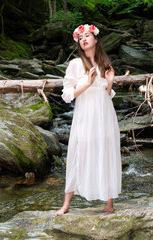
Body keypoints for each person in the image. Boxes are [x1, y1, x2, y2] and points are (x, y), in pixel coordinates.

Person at [55, 24, 122, 216]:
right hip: (85, 116)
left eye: (87, 36)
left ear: (95, 39)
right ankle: (66, 204)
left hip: (105, 115)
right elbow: (67, 95)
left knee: (107, 151)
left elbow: (107, 95)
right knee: (78, 152)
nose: (83, 39)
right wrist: (88, 83)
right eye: (80, 37)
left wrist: (109, 83)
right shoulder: (75, 64)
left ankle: (109, 201)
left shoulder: (104, 63)